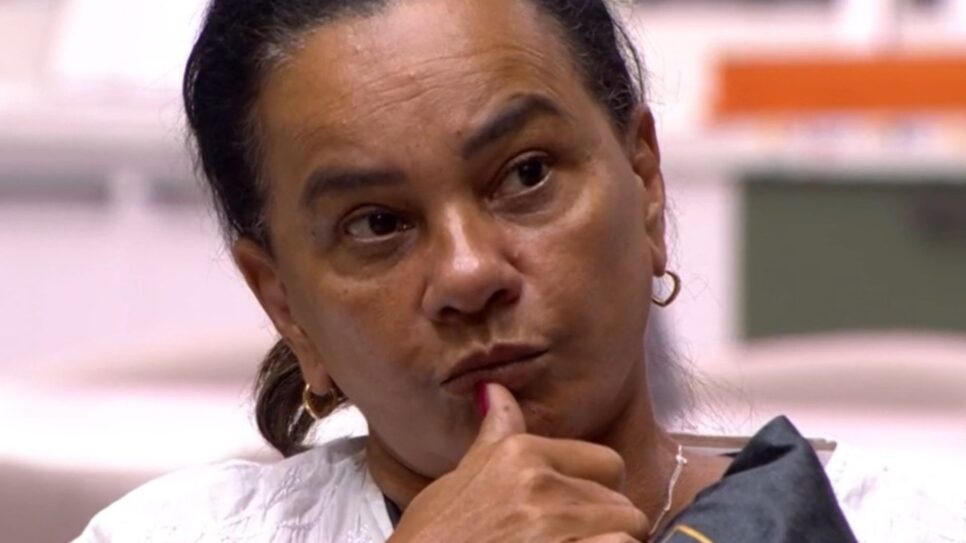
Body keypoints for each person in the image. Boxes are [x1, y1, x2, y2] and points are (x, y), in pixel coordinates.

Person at [76, 0, 964, 541]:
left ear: (645, 184)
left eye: (526, 174)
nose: (469, 273)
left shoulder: (901, 524)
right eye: (377, 224)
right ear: (286, 306)